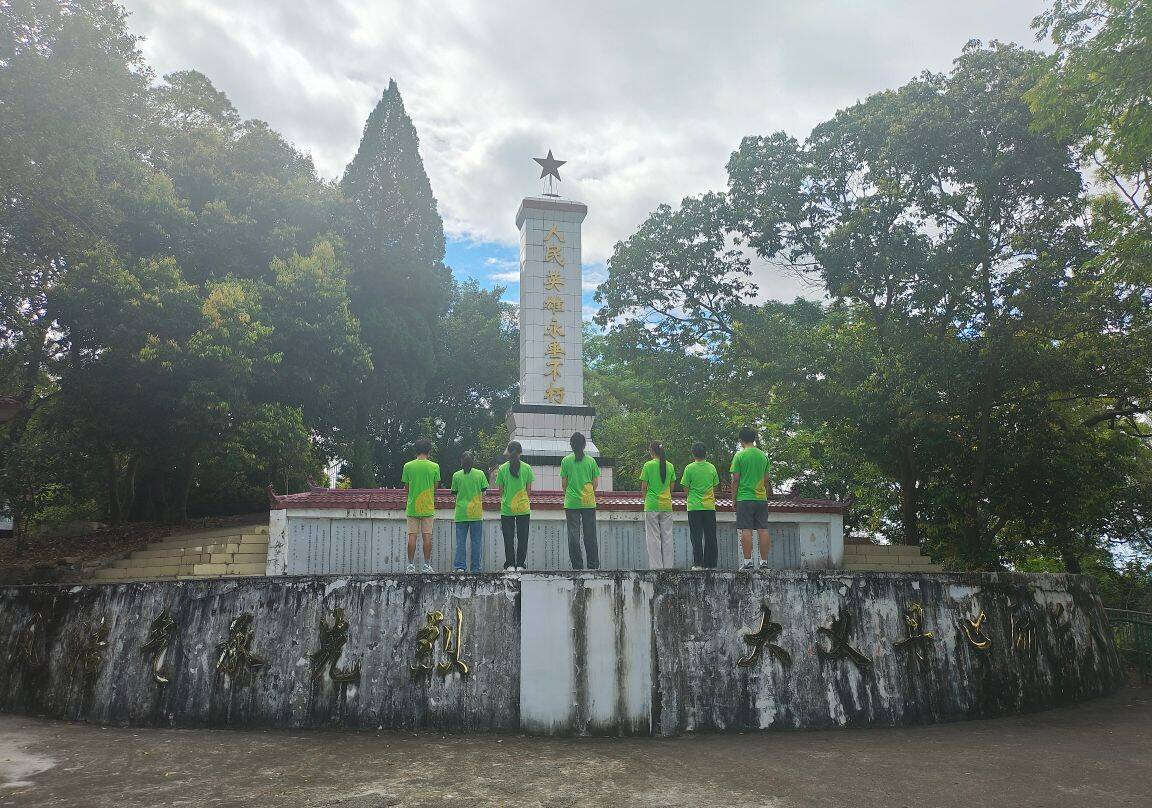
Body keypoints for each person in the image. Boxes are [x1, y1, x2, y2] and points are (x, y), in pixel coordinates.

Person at [730, 426, 773, 571]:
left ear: (741, 440)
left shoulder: (739, 456)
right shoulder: (763, 456)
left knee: (746, 529)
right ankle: (764, 562)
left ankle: (748, 562)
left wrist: (733, 499)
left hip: (745, 498)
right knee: (763, 529)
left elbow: (735, 479)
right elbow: (766, 478)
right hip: (761, 498)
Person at [560, 432, 600, 570]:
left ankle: (577, 567)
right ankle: (593, 566)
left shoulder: (565, 461)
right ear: (584, 445)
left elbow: (564, 484)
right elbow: (595, 484)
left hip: (571, 503)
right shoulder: (591, 461)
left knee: (573, 536)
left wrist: (570, 495)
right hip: (588, 502)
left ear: (571, 445)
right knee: (590, 536)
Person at [401, 438, 440, 573]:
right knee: (427, 537)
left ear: (415, 450)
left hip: (412, 507)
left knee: (412, 537)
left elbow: (406, 488)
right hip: (428, 507)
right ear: (429, 450)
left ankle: (410, 566)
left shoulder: (408, 466)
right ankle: (426, 566)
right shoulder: (435, 466)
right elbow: (435, 487)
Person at [494, 441, 534, 571]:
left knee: (508, 537)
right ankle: (521, 564)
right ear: (520, 452)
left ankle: (510, 564)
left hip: (507, 508)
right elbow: (529, 490)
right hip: (523, 508)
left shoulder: (502, 468)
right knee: (523, 537)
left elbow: (500, 490)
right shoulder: (527, 468)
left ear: (508, 452)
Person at [680, 441, 720, 569]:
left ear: (693, 453)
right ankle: (711, 564)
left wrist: (692, 496)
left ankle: (698, 564)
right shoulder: (711, 467)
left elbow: (685, 487)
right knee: (710, 536)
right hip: (709, 507)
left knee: (696, 536)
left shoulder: (689, 468)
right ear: (705, 453)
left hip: (694, 507)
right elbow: (715, 486)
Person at [639, 441, 676, 569]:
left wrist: (646, 500)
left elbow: (643, 487)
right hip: (666, 505)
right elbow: (672, 487)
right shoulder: (670, 466)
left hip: (652, 504)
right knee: (667, 537)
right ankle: (668, 567)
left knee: (653, 538)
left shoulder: (648, 465)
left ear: (652, 451)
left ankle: (656, 568)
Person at [450, 451, 488, 573]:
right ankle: (476, 568)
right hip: (476, 513)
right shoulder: (480, 474)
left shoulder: (456, 475)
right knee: (476, 542)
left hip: (461, 513)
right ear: (473, 461)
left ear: (461, 461)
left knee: (460, 542)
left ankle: (460, 567)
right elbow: (484, 493)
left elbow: (454, 494)